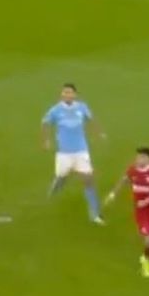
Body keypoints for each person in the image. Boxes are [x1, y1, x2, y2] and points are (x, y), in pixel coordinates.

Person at [42, 83, 105, 224]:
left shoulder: (82, 107)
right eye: (65, 92)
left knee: (88, 179)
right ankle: (56, 185)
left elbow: (91, 119)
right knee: (62, 176)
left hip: (81, 150)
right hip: (64, 153)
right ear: (61, 94)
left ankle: (94, 213)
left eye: (70, 92)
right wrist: (46, 140)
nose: (67, 95)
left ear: (74, 94)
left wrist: (99, 133)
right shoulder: (55, 110)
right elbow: (45, 123)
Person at [104, 147, 149, 279]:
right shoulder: (132, 170)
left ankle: (145, 257)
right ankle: (146, 265)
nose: (139, 159)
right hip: (140, 210)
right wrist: (113, 194)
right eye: (138, 157)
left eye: (142, 157)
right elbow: (123, 180)